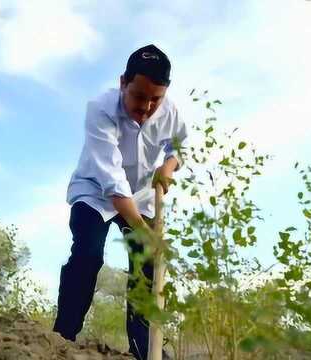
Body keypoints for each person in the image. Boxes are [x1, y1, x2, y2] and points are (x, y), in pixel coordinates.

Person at [52, 44, 188, 360]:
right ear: (123, 82)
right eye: (139, 97)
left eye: (156, 99)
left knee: (147, 268)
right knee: (87, 254)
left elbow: (179, 146)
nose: (147, 107)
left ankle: (144, 347)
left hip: (141, 198)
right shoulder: (100, 109)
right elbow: (112, 180)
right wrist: (144, 231)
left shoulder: (169, 112)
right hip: (96, 192)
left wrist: (168, 167)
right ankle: (64, 335)